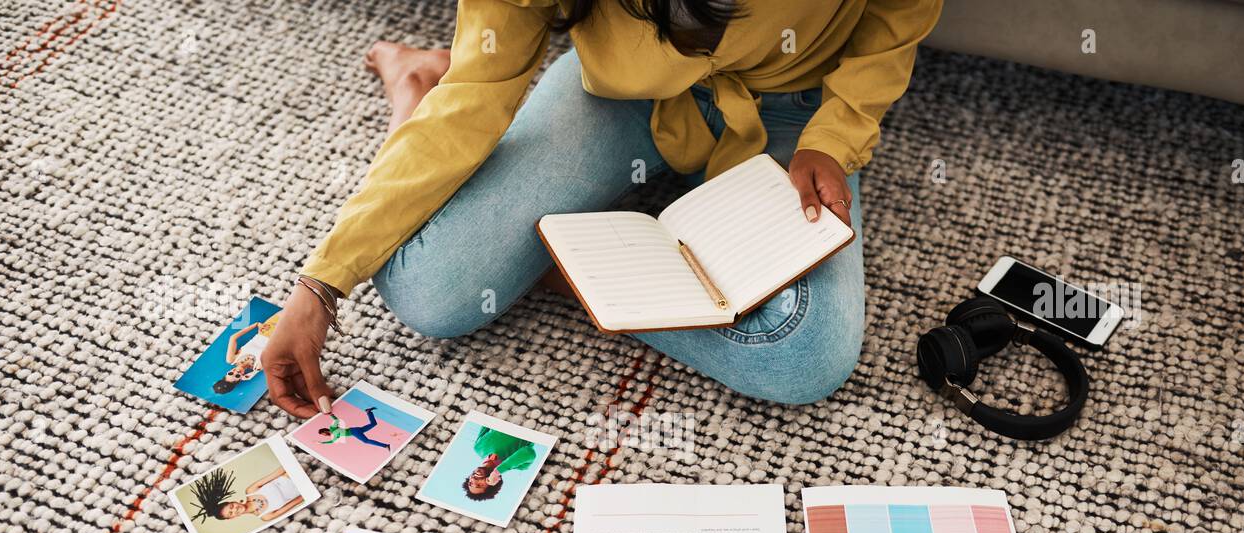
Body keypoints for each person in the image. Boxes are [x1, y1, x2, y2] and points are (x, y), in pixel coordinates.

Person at [259, 0, 944, 415]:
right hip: (623, 97)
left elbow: (898, 10)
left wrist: (837, 133)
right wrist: (320, 284)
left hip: (796, 104)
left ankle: (566, 269)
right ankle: (415, 88)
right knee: (430, 292)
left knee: (804, 357)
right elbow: (475, 101)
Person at [187, 465, 306, 524]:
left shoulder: (250, 491)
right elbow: (294, 503)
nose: (235, 509)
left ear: (234, 501)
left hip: (293, 472)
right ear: (232, 518)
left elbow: (276, 473)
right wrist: (309, 490)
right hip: (304, 487)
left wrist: (293, 466)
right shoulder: (265, 516)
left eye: (231, 506)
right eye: (231, 513)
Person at [463, 426, 538, 500]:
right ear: (493, 482)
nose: (474, 480)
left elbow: (487, 422)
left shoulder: (477, 448)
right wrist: (497, 472)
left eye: (470, 483)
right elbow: (529, 452)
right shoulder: (520, 466)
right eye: (479, 485)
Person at [213, 314, 279, 394]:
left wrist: (256, 325)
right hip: (279, 339)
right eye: (237, 376)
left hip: (266, 330)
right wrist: (254, 373)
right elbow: (273, 354)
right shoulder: (257, 367)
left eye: (231, 373)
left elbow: (233, 338)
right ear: (241, 378)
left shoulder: (231, 359)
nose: (236, 372)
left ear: (228, 372)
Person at [318, 406, 392, 449]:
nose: (324, 435)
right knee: (373, 424)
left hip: (354, 431)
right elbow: (333, 441)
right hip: (355, 430)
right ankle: (369, 412)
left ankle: (385, 446)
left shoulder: (332, 428)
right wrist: (323, 443)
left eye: (322, 434)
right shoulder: (333, 435)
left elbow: (337, 420)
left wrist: (331, 415)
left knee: (366, 441)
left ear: (324, 431)